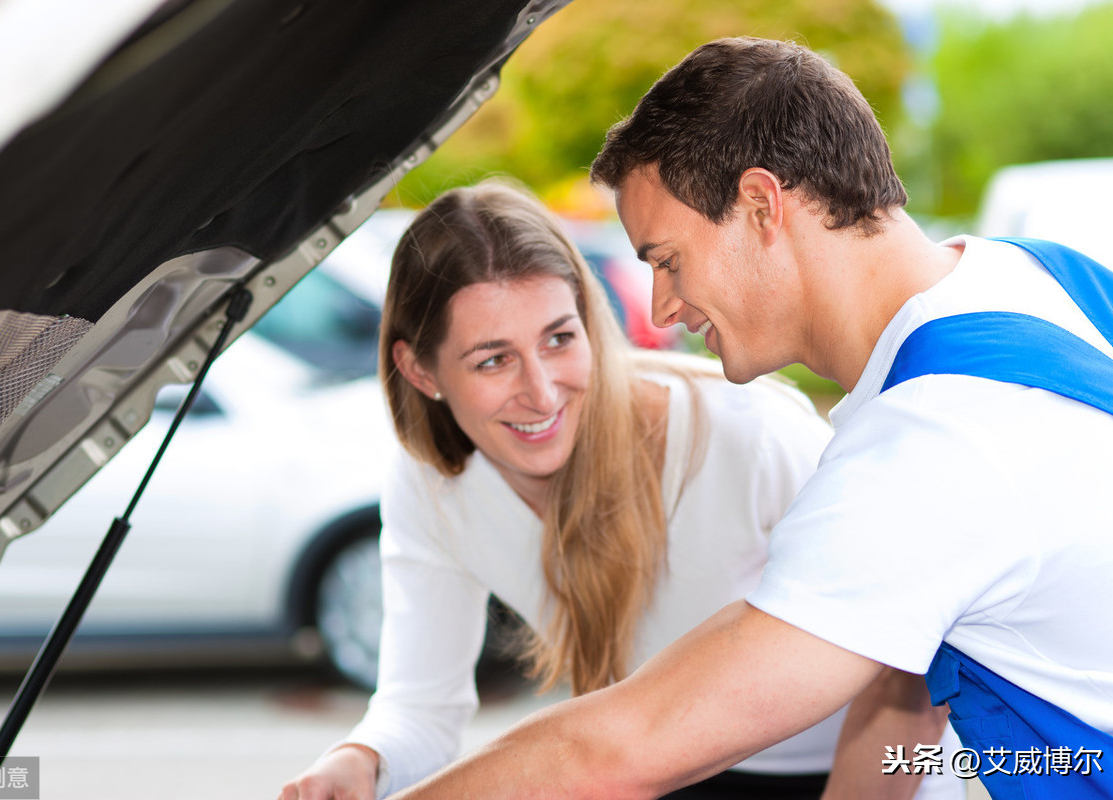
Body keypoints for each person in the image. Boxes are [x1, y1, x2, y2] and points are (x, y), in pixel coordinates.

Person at [382, 38, 1113, 800]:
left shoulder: (927, 449)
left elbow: (617, 751)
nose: (664, 308)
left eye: (667, 260)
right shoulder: (1042, 276)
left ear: (763, 206)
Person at [278, 179, 962, 800]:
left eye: (558, 338)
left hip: (861, 774)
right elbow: (420, 708)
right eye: (493, 359)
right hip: (661, 770)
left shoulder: (744, 435)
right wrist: (359, 758)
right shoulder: (432, 486)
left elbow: (912, 671)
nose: (541, 392)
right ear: (420, 371)